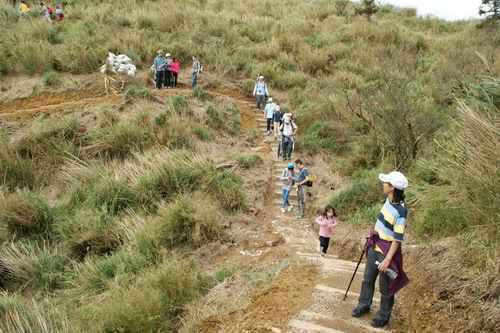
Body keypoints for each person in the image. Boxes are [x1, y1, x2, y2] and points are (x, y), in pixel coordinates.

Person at [351, 171, 410, 328]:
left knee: (386, 286)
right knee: (368, 278)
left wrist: (387, 260)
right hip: (375, 244)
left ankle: (383, 316)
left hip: (387, 251)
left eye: (386, 183)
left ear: (392, 188)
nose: (383, 185)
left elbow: (397, 240)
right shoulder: (388, 200)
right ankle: (363, 304)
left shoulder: (401, 212)